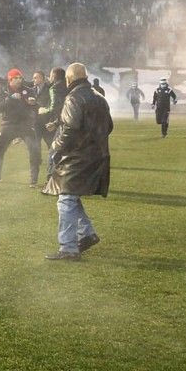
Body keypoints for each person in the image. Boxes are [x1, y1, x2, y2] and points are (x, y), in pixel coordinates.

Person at [43, 62, 112, 260]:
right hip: (97, 155)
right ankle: (87, 233)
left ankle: (68, 248)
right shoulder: (99, 97)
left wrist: (56, 147)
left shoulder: (73, 97)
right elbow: (109, 126)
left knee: (65, 199)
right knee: (70, 196)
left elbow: (70, 129)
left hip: (78, 157)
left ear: (69, 79)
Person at [0, 68, 41, 187]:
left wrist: (34, 103)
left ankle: (34, 179)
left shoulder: (28, 90)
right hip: (8, 124)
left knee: (34, 149)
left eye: (20, 78)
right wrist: (10, 98)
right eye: (16, 78)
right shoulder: (3, 91)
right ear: (10, 80)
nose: (19, 80)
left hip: (25, 125)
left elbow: (36, 108)